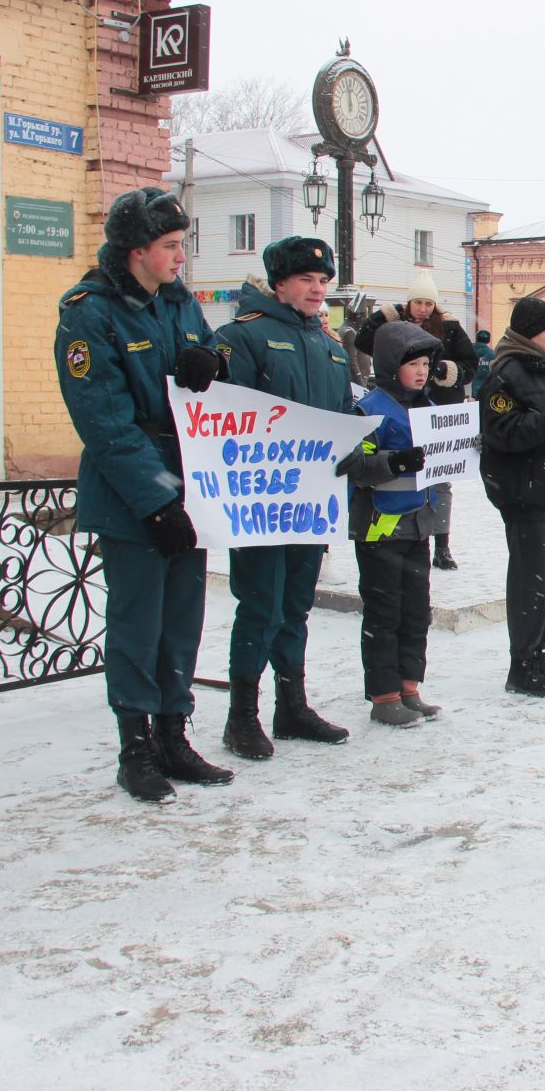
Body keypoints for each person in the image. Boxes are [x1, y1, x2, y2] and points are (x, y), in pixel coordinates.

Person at [54, 186, 229, 803]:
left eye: (182, 245)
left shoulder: (178, 301)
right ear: (135, 250)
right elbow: (102, 419)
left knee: (183, 617)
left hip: (192, 477)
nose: (181, 257)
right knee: (137, 620)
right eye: (171, 246)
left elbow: (208, 361)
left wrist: (209, 360)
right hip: (134, 491)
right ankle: (136, 748)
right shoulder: (89, 311)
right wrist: (156, 499)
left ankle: (174, 736)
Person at [212, 237, 355, 759]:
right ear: (279, 284)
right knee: (260, 607)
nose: (318, 290)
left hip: (309, 502)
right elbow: (226, 416)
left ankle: (290, 706)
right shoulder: (241, 337)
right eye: (306, 281)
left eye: (323, 281)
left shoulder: (331, 345)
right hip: (261, 501)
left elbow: (342, 411)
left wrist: (358, 440)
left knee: (295, 606)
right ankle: (241, 716)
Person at [346, 319, 447, 728]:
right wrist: (393, 462)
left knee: (416, 611)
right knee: (384, 611)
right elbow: (354, 463)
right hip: (380, 527)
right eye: (413, 364)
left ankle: (409, 686)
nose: (422, 371)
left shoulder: (429, 408)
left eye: (425, 363)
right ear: (390, 364)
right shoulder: (370, 409)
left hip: (418, 524)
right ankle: (383, 695)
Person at [481, 296, 545, 696]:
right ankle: (520, 664)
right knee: (530, 584)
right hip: (525, 495)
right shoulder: (506, 373)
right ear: (527, 332)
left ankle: (537, 651)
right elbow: (502, 432)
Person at [354, 271, 480, 571]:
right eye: (418, 302)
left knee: (438, 483)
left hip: (437, 410)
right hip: (399, 406)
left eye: (428, 303)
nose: (423, 308)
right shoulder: (394, 324)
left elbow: (469, 363)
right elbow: (364, 341)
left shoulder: (448, 326)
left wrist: (446, 372)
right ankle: (392, 531)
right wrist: (381, 316)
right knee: (403, 475)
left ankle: (441, 542)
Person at [471, 328, 494, 398]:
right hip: (487, 390)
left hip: (471, 390)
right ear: (488, 340)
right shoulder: (492, 353)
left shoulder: (469, 351)